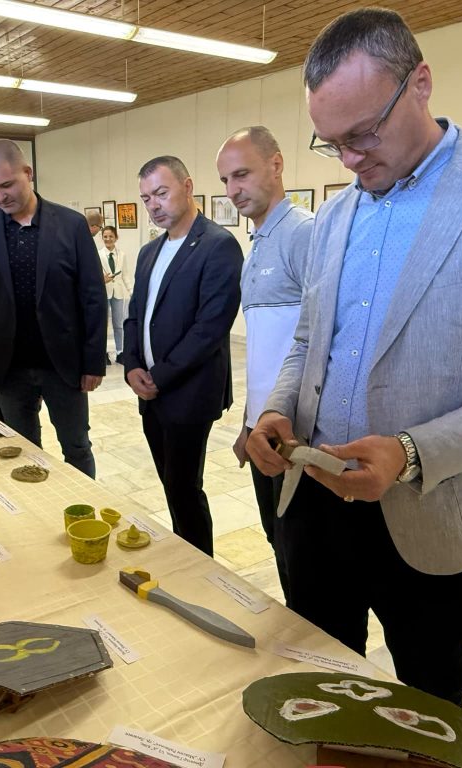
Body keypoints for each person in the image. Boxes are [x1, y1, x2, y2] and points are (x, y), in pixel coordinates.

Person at [245, 7, 462, 707]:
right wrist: (277, 407)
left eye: (363, 133)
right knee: (319, 682)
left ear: (420, 84)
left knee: (426, 704)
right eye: (331, 142)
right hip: (315, 499)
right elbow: (308, 341)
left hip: (431, 514)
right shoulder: (335, 214)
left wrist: (410, 452)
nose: (349, 159)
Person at [0, 139, 107, 478]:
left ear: (28, 173)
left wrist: (93, 360)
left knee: (77, 446)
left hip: (63, 364)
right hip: (8, 367)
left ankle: (85, 505)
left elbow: (93, 296)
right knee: (21, 450)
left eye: (7, 185)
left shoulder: (70, 224)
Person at [122, 156, 243, 556]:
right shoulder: (149, 251)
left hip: (188, 392)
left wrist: (159, 377)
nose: (153, 205)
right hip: (149, 390)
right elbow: (135, 314)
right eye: (146, 198)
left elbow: (210, 328)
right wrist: (132, 365)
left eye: (161, 193)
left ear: (187, 187)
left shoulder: (218, 245)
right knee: (170, 483)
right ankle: (183, 553)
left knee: (185, 487)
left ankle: (199, 566)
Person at [216, 125, 314, 596]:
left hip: (295, 431)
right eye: (225, 180)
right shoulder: (256, 245)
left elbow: (319, 341)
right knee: (278, 541)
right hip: (264, 429)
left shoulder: (303, 234)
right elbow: (264, 351)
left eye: (241, 174)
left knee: (302, 555)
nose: (232, 190)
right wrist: (248, 422)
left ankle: (307, 637)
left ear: (276, 165)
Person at [99, 225, 134, 365]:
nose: (108, 239)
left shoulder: (122, 255)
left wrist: (132, 292)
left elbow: (125, 275)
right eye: (105, 237)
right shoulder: (98, 254)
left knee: (118, 324)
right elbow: (93, 276)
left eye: (111, 236)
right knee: (103, 325)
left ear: (116, 238)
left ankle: (120, 352)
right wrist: (102, 280)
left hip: (118, 293)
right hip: (103, 293)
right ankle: (103, 353)